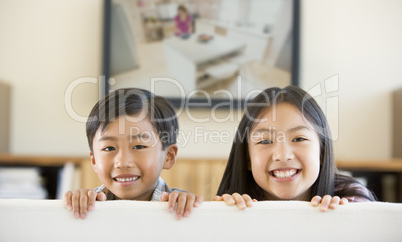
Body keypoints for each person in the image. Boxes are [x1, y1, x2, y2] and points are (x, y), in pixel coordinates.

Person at [214, 85, 376, 211]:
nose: (283, 155)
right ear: (247, 159)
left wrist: (343, 222)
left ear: (321, 152)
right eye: (264, 141)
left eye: (299, 138)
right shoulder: (232, 205)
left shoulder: (351, 200)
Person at [64, 88, 203, 220]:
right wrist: (73, 209)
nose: (123, 162)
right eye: (109, 148)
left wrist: (194, 213)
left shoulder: (187, 208)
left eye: (138, 146)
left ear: (168, 156)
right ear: (94, 160)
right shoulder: (83, 208)